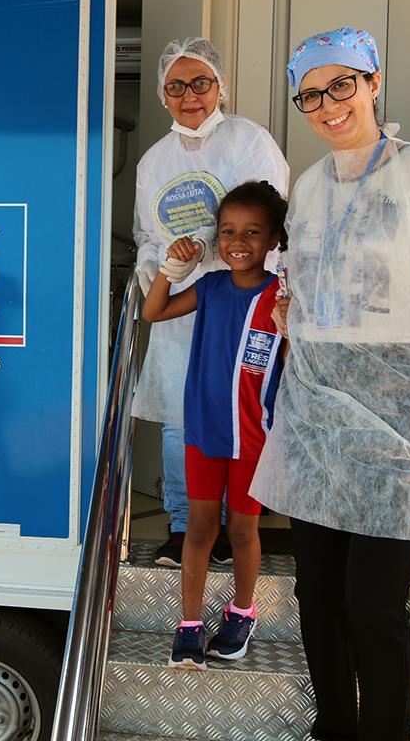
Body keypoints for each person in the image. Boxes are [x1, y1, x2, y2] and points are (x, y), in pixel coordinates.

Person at [251, 27, 410, 740]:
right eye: (310, 94)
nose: (328, 106)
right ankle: (334, 726)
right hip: (316, 416)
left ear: (373, 83)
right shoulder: (310, 185)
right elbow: (310, 282)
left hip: (400, 423)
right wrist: (293, 306)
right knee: (317, 593)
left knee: (375, 606)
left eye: (342, 85)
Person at [132, 36, 289, 568]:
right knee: (184, 416)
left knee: (242, 412)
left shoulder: (249, 141)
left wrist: (212, 247)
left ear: (220, 85)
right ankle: (184, 529)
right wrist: (165, 265)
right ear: (162, 94)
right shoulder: (155, 160)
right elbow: (146, 234)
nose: (189, 95)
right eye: (175, 86)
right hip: (185, 300)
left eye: (200, 82)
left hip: (243, 301)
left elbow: (268, 216)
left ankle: (231, 526)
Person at [143, 181, 288, 670]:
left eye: (252, 231)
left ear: (273, 240)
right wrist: (169, 270)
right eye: (227, 231)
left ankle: (242, 612)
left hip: (253, 438)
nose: (238, 241)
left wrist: (294, 325)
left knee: (243, 532)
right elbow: (152, 311)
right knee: (199, 529)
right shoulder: (208, 287)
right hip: (203, 432)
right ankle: (189, 625)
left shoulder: (282, 298)